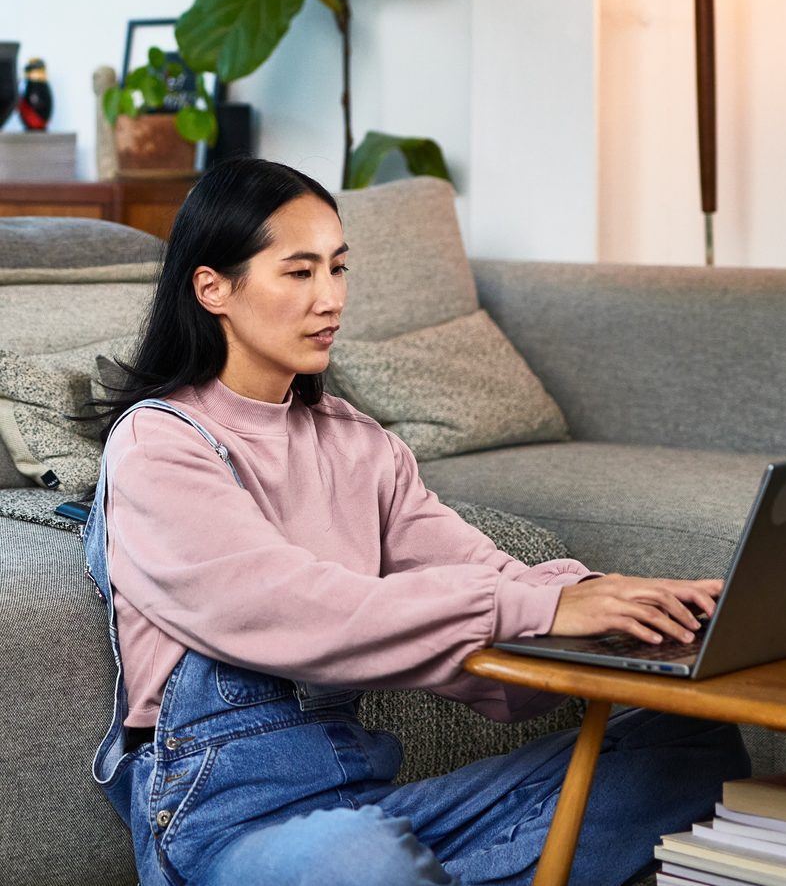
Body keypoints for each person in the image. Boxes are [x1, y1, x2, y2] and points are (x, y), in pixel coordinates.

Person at [83, 157, 749, 886]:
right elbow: (295, 607)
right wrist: (539, 603)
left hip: (370, 812)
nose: (330, 298)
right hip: (225, 832)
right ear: (212, 287)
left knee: (687, 749)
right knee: (359, 859)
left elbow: (476, 570)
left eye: (338, 268)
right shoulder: (159, 444)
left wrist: (617, 609)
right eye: (299, 273)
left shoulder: (357, 442)